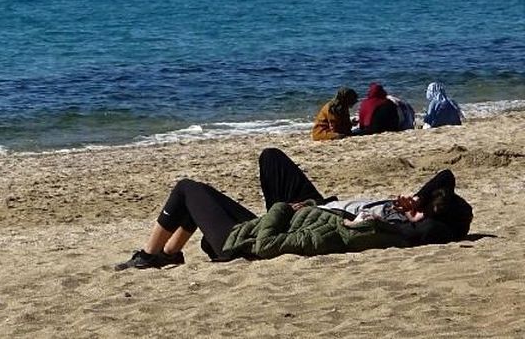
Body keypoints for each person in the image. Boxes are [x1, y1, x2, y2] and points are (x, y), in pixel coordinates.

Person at [117, 148, 472, 269]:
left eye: (423, 210)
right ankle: (169, 254)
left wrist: (420, 217)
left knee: (187, 189)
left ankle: (151, 256)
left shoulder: (404, 229)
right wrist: (419, 199)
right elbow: (446, 176)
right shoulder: (409, 211)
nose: (414, 209)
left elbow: (435, 230)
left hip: (299, 221)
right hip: (318, 208)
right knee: (271, 158)